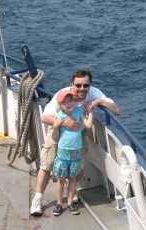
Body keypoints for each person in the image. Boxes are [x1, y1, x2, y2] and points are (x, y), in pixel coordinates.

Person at [30, 69, 120, 216]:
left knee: (79, 168)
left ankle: (68, 189)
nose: (82, 89)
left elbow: (116, 110)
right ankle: (38, 198)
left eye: (85, 85)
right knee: (47, 164)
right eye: (78, 85)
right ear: (72, 85)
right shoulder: (63, 95)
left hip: (79, 133)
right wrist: (64, 123)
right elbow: (45, 117)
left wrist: (98, 101)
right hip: (58, 129)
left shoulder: (93, 92)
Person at [51, 90, 94, 216]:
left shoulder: (78, 111)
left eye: (70, 100)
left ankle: (70, 203)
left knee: (73, 179)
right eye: (65, 102)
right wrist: (55, 126)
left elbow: (88, 124)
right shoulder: (59, 116)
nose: (69, 103)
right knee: (61, 180)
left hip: (76, 152)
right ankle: (59, 204)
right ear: (60, 105)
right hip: (63, 151)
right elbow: (56, 136)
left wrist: (91, 112)